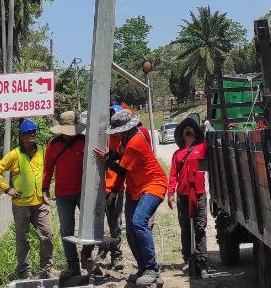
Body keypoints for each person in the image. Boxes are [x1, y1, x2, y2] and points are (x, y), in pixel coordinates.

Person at [94, 109, 167, 287]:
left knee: (138, 223)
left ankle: (151, 268)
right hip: (136, 189)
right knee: (131, 230)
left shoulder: (135, 142)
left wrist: (106, 160)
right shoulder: (125, 141)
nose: (116, 134)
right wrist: (110, 157)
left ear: (125, 129)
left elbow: (121, 170)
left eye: (118, 131)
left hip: (153, 185)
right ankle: (143, 268)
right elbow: (117, 154)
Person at [0, 119, 54, 280]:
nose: (31, 135)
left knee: (47, 235)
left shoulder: (43, 151)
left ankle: (46, 269)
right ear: (21, 135)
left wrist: (47, 188)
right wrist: (7, 189)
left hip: (40, 202)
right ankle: (24, 272)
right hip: (21, 205)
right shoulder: (14, 154)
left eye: (33, 132)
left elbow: (51, 169)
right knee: (22, 239)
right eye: (27, 133)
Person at [42, 110, 96, 280]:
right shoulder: (53, 145)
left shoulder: (85, 141)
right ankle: (73, 266)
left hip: (83, 192)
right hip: (63, 194)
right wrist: (44, 189)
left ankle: (86, 254)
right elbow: (48, 168)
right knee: (66, 230)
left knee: (90, 224)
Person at [167, 117, 208, 277]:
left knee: (200, 228)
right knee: (185, 229)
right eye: (185, 129)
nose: (188, 130)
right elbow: (172, 176)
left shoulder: (202, 148)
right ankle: (188, 260)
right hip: (182, 196)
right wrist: (170, 193)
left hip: (199, 195)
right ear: (182, 136)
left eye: (191, 128)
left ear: (196, 134)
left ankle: (202, 262)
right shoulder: (177, 154)